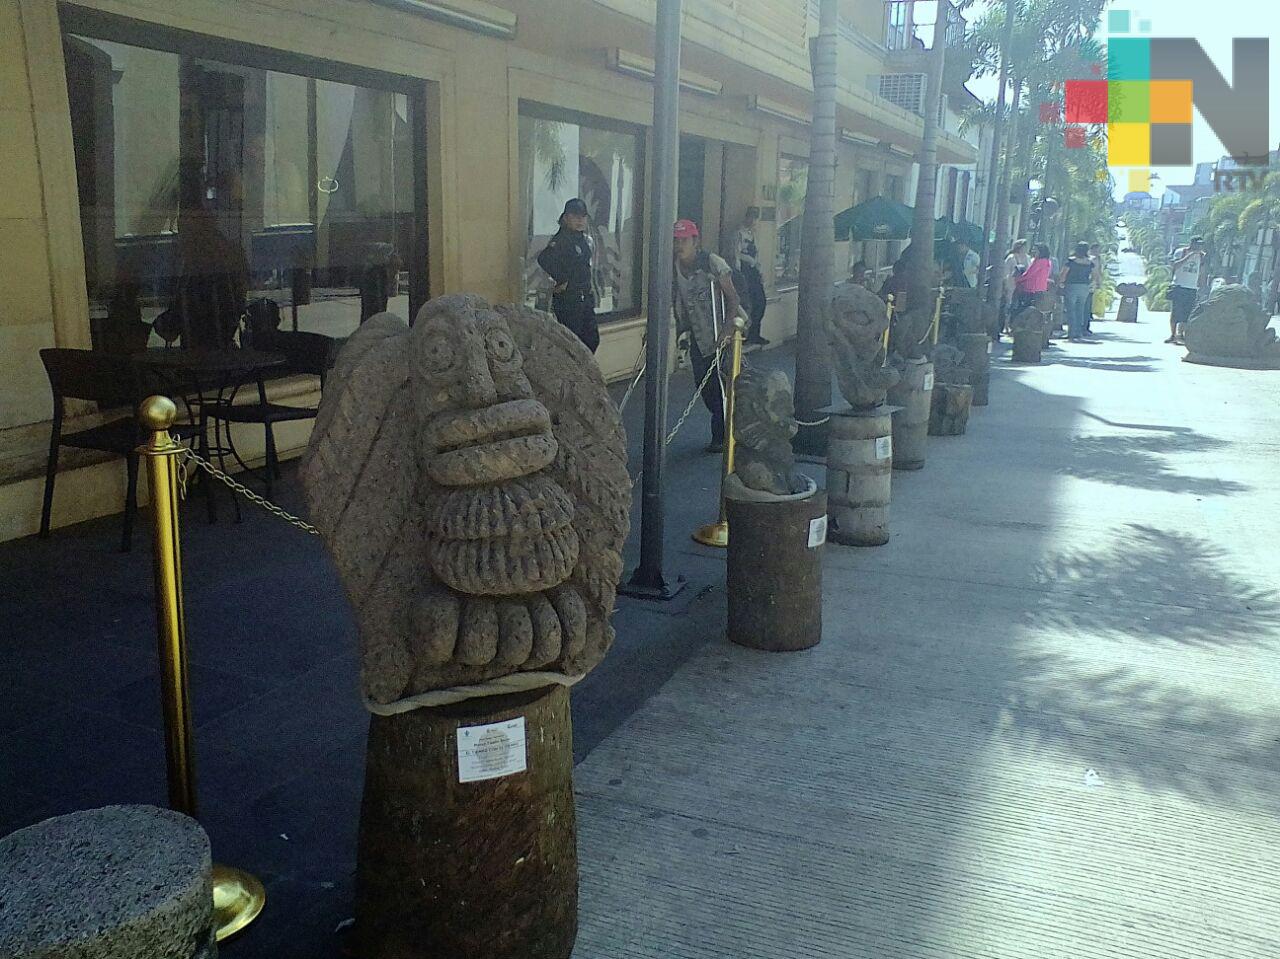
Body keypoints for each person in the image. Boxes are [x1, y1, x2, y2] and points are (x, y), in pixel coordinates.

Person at [673, 219, 742, 453]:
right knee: (704, 386)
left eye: (684, 240)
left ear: (695, 241)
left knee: (721, 385)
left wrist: (727, 329)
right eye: (676, 241)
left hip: (719, 334)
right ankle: (723, 427)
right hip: (697, 336)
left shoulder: (712, 262)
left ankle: (722, 435)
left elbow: (733, 298)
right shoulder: (674, 267)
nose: (679, 245)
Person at [536, 198, 599, 352]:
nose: (580, 220)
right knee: (572, 343)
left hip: (585, 297)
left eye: (583, 216)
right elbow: (544, 259)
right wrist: (562, 280)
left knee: (592, 339)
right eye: (575, 216)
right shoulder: (561, 240)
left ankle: (584, 367)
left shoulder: (585, 240)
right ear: (566, 218)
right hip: (569, 300)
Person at [734, 208, 769, 346]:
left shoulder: (753, 235)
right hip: (744, 271)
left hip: (754, 272)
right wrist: (738, 274)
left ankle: (755, 334)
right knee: (746, 304)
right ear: (746, 217)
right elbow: (736, 254)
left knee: (760, 302)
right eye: (751, 217)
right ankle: (743, 335)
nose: (753, 221)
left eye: (755, 218)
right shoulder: (739, 234)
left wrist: (760, 273)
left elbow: (757, 256)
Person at [1168, 236, 1206, 344]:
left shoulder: (1202, 256)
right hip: (1179, 285)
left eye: (1201, 244)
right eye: (1197, 244)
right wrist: (1190, 256)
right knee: (1175, 312)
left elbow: (1202, 271)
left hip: (1192, 287)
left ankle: (1181, 334)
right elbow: (1175, 265)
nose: (1199, 247)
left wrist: (1202, 286)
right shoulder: (1181, 252)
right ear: (1192, 243)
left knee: (1187, 313)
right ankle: (1172, 335)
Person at [1059, 241, 1100, 342]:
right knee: (1080, 309)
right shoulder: (1090, 262)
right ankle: (1078, 331)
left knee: (1071, 310)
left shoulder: (1071, 261)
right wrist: (1090, 283)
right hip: (1084, 287)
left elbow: (1063, 274)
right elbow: (1095, 275)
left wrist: (1061, 283)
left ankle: (1071, 332)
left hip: (1071, 286)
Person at [1002, 239, 1032, 335]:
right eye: (1024, 246)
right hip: (1011, 284)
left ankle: (1015, 325)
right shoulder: (1011, 258)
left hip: (1023, 286)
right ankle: (1006, 325)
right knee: (1009, 304)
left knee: (1019, 305)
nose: (1026, 248)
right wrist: (1006, 283)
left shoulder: (1028, 258)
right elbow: (1005, 272)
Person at [1013, 244, 1053, 314]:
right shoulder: (1047, 261)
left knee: (1024, 308)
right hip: (1041, 288)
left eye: (1036, 250)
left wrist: (1017, 280)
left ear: (1041, 251)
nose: (1034, 251)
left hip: (1032, 288)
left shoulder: (1039, 262)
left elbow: (1029, 274)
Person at [1088, 242, 1104, 331]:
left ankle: (1090, 312)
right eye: (1097, 250)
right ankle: (1088, 314)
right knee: (1088, 298)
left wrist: (1099, 281)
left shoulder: (1098, 258)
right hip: (1090, 281)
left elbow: (1099, 270)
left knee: (1091, 298)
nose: (1098, 251)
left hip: (1094, 281)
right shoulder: (1090, 258)